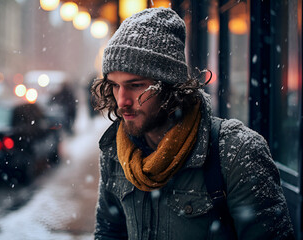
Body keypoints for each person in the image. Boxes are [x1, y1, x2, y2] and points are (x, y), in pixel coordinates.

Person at [91, 7, 294, 240]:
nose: (121, 101)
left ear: (169, 85)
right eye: (115, 85)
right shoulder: (117, 152)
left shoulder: (235, 152)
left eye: (136, 85)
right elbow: (109, 232)